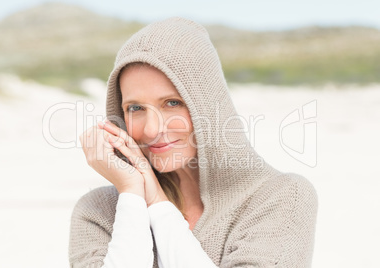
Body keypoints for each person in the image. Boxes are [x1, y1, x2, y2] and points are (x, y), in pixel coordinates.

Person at [69, 17, 318, 268]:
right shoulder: (99, 212)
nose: (152, 129)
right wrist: (133, 194)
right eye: (135, 108)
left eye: (172, 103)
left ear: (208, 105)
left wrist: (156, 202)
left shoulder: (279, 197)